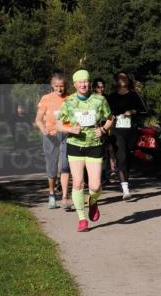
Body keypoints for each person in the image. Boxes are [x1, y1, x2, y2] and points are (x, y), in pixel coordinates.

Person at [56, 69, 113, 231]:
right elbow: (59, 124)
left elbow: (110, 119)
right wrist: (69, 129)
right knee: (79, 183)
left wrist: (102, 129)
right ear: (74, 84)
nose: (83, 84)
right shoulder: (68, 102)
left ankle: (93, 201)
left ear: (89, 83)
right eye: (80, 82)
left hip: (94, 145)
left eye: (86, 81)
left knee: (95, 186)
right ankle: (82, 219)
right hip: (75, 145)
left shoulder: (99, 100)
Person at [106, 70, 147, 201]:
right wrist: (110, 118)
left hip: (132, 130)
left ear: (128, 80)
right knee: (121, 156)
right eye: (120, 77)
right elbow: (105, 112)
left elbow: (144, 111)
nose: (122, 79)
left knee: (128, 157)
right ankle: (126, 190)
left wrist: (132, 111)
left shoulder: (134, 96)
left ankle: (125, 181)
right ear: (116, 80)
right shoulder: (112, 97)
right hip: (117, 130)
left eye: (125, 77)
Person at [35, 72, 71, 209]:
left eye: (61, 86)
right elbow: (38, 120)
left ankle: (65, 197)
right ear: (52, 86)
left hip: (66, 135)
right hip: (50, 135)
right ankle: (51, 194)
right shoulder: (46, 98)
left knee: (65, 166)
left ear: (65, 86)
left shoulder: (71, 98)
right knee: (52, 167)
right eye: (56, 86)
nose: (59, 89)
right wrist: (43, 129)